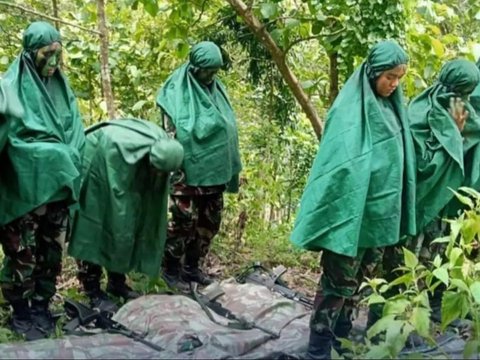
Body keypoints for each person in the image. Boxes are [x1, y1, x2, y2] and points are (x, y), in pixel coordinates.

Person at [290, 40, 416, 359]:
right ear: (374, 72)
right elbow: (339, 167)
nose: (394, 84)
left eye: (399, 77)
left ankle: (341, 343)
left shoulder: (394, 110)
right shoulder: (349, 112)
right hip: (347, 218)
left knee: (360, 286)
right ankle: (318, 349)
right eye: (389, 76)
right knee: (336, 286)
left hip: (378, 219)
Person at [0, 21, 85, 340]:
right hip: (25, 191)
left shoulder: (63, 89)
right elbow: (10, 138)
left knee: (51, 253)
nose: (52, 62)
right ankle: (19, 311)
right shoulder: (11, 87)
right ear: (30, 53)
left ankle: (41, 306)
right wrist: (49, 155)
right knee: (23, 253)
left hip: (58, 191)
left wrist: (67, 156)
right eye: (45, 55)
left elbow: (75, 133)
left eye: (57, 54)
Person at [68, 119, 184, 310]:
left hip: (124, 165)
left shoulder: (165, 147)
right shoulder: (117, 146)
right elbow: (118, 196)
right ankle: (92, 288)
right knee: (96, 226)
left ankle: (116, 281)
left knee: (126, 225)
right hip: (98, 161)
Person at [156, 41, 242, 289]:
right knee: (181, 223)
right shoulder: (174, 92)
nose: (211, 76)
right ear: (195, 68)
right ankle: (171, 270)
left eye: (215, 71)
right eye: (207, 71)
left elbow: (227, 127)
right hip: (186, 173)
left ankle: (193, 268)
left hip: (214, 173)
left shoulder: (217, 90)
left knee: (209, 223)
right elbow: (169, 134)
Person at [406, 59, 480, 321]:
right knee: (408, 258)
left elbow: (467, 137)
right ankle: (403, 316)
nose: (465, 100)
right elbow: (419, 158)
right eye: (463, 93)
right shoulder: (421, 111)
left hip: (443, 200)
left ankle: (434, 309)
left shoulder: (460, 108)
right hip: (420, 200)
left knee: (437, 253)